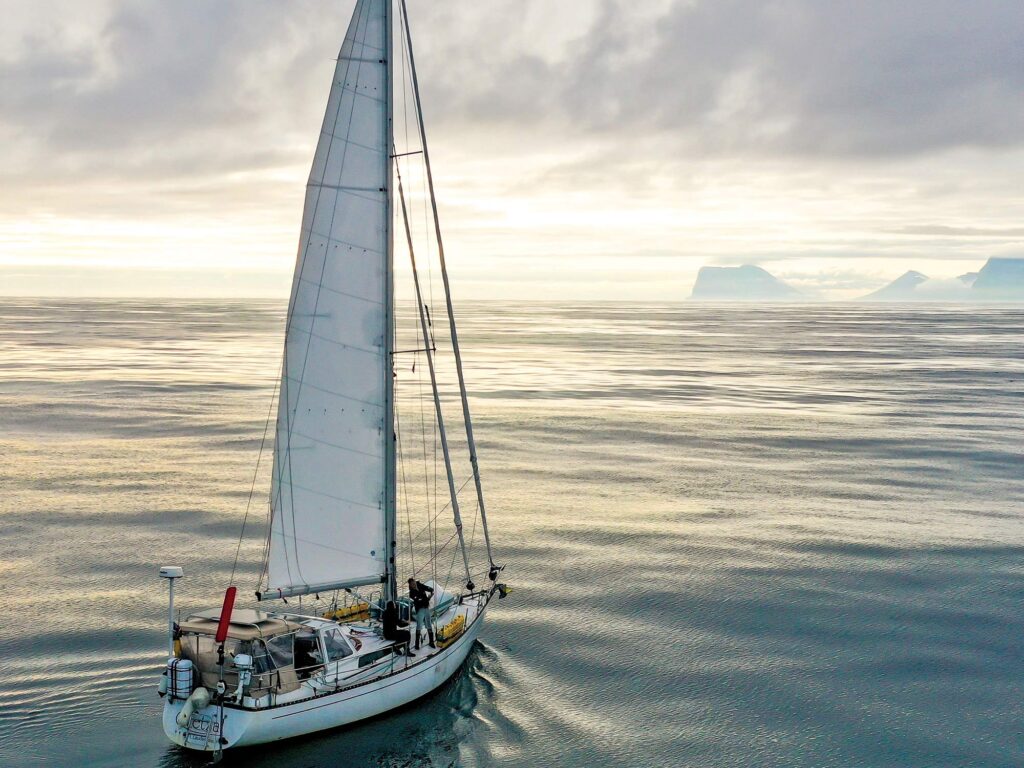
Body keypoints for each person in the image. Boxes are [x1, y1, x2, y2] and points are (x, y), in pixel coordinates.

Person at [407, 578, 436, 650]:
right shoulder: (412, 593)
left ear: (414, 581)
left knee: (429, 624)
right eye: (412, 584)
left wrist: (431, 590)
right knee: (419, 626)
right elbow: (419, 601)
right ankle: (417, 644)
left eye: (413, 583)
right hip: (420, 610)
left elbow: (427, 588)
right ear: (410, 585)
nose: (413, 584)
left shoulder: (420, 585)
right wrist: (428, 598)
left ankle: (431, 642)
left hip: (426, 608)